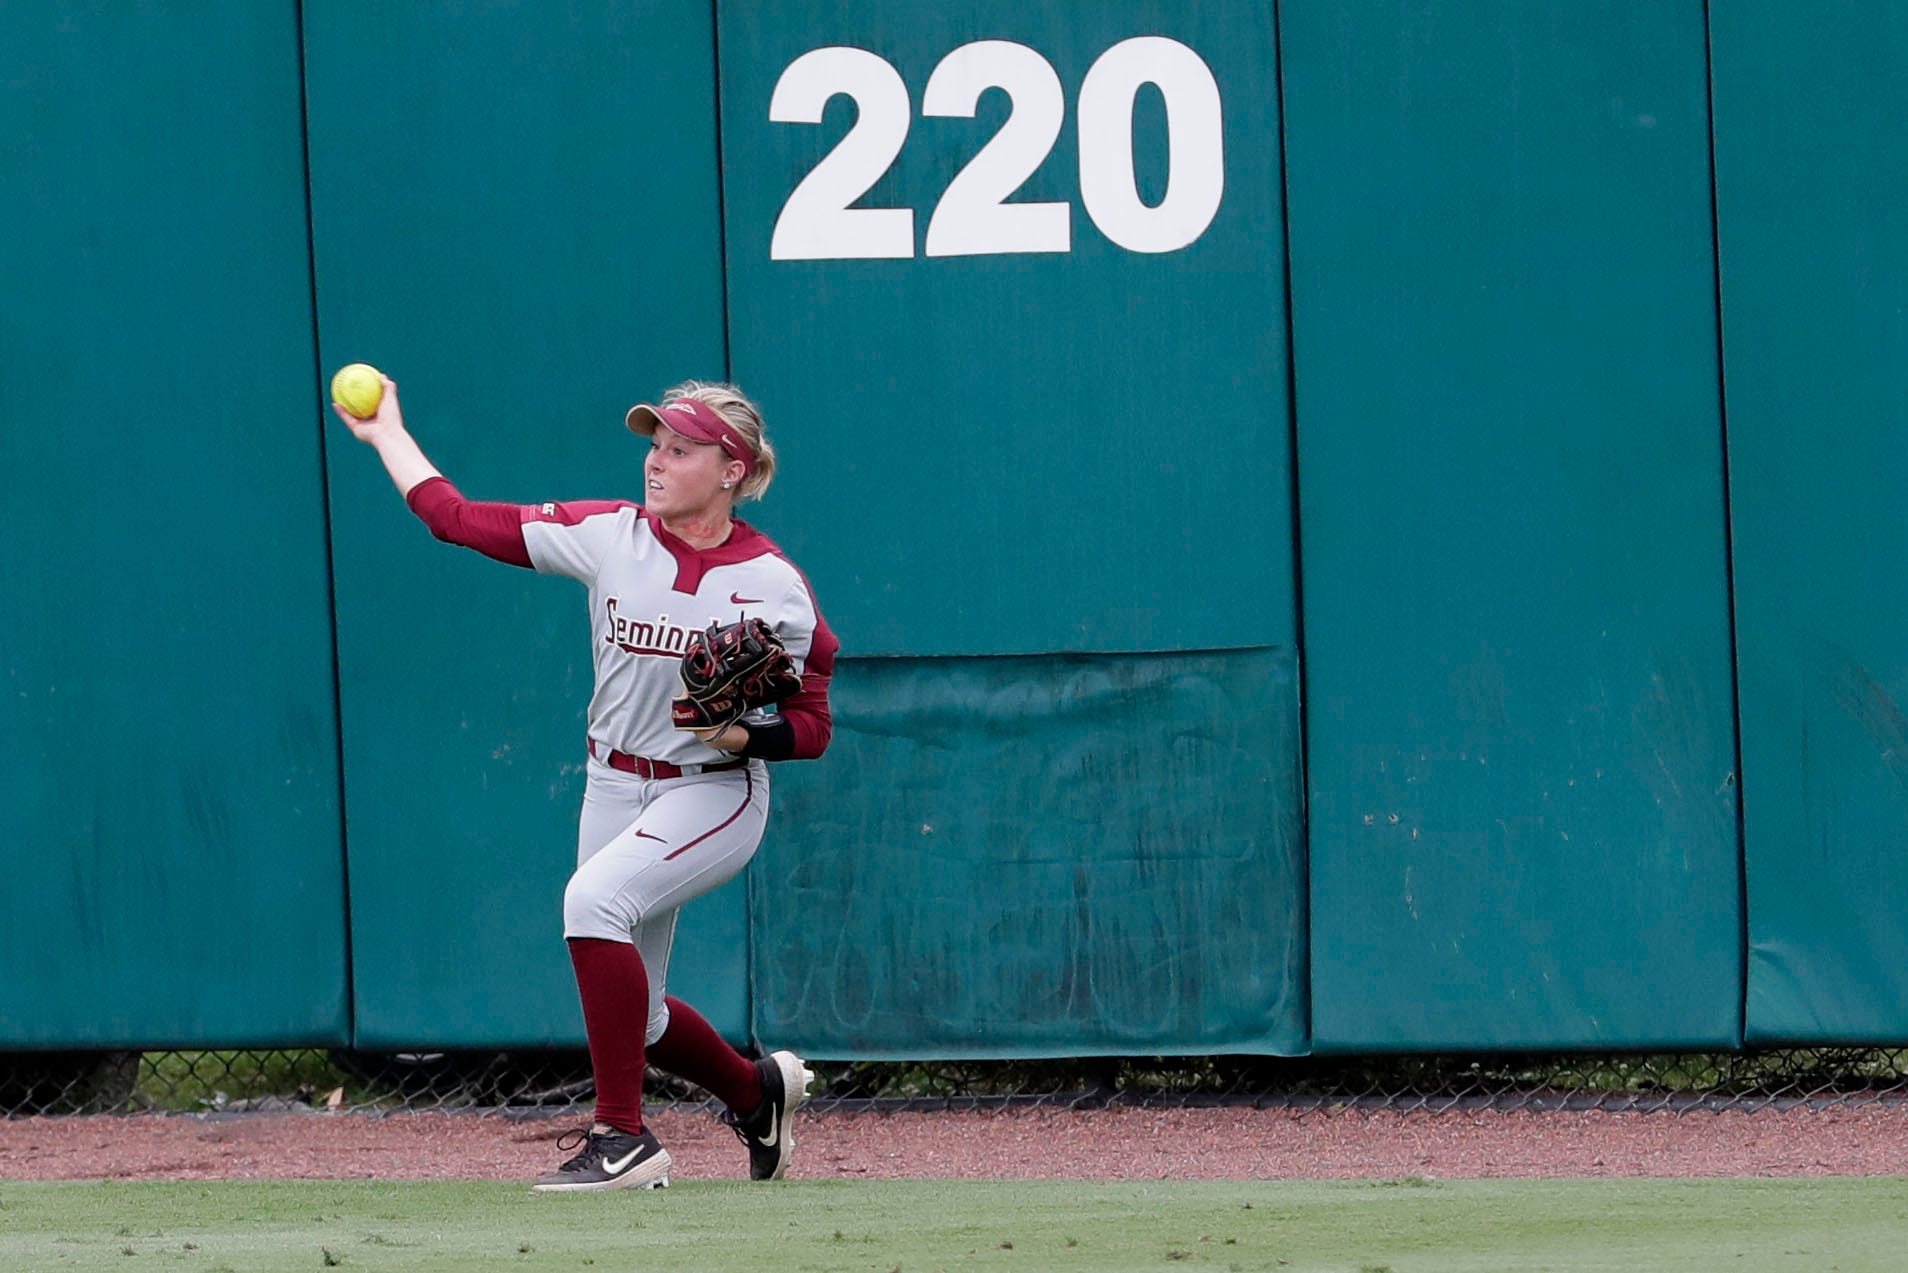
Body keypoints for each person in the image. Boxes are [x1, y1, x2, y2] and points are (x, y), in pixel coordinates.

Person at [334, 374, 838, 1192]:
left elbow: (813, 728)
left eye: (680, 448)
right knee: (637, 1021)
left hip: (713, 788)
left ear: (732, 469)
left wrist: (744, 731)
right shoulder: (609, 534)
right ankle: (756, 1093)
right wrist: (387, 431)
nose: (657, 460)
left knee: (591, 903)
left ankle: (624, 1139)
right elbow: (456, 519)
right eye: (654, 443)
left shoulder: (775, 584)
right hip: (611, 781)